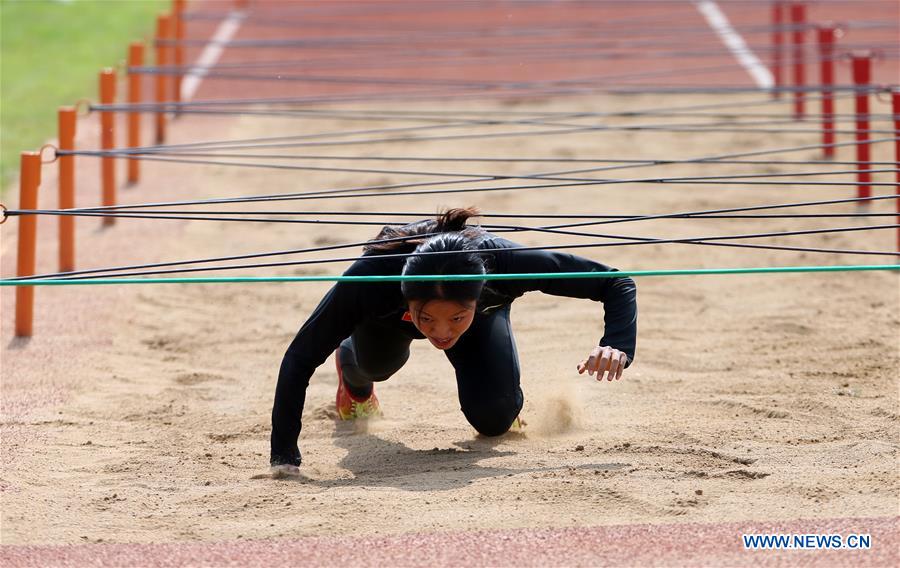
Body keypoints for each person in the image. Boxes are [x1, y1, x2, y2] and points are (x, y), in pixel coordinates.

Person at [270, 208, 637, 473]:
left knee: (495, 419)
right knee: (376, 366)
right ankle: (354, 378)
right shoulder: (370, 279)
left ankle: (463, 326)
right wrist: (284, 455)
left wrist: (616, 342)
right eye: (427, 318)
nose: (441, 333)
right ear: (405, 295)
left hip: (482, 320)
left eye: (454, 318)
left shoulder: (506, 263)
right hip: (387, 323)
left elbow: (615, 282)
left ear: (478, 294)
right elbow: (300, 356)